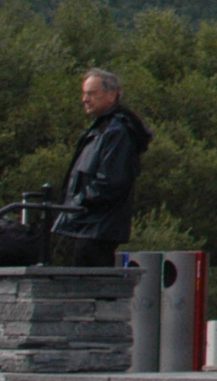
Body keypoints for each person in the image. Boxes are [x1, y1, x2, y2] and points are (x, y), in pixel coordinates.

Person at [52, 69, 153, 267]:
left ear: (111, 95)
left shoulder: (117, 132)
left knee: (92, 288)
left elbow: (111, 182)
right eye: (84, 93)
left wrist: (78, 202)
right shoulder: (100, 130)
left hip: (98, 228)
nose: (85, 99)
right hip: (87, 226)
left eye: (91, 93)